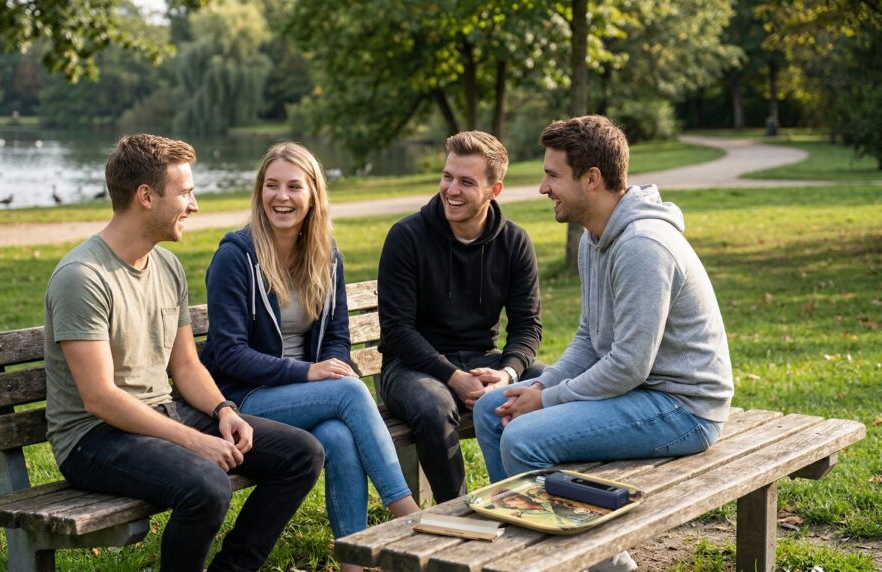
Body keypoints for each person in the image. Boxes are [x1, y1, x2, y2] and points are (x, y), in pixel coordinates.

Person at [44, 134, 324, 572]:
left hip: (160, 412)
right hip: (93, 438)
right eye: (186, 193)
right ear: (146, 196)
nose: (194, 205)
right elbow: (99, 397)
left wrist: (225, 411)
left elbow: (186, 364)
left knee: (301, 453)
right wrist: (195, 441)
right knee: (208, 485)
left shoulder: (167, 266)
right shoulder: (82, 277)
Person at [474, 115, 733, 572]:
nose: (542, 187)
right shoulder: (594, 239)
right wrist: (543, 386)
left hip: (684, 407)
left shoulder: (641, 245)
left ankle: (604, 564)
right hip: (642, 393)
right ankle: (532, 548)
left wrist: (547, 398)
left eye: (552, 175)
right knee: (492, 411)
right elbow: (590, 337)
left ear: (591, 179)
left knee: (523, 436)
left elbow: (629, 364)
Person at [201, 142, 419, 571]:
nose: (281, 197)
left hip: (305, 394)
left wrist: (326, 368)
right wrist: (308, 372)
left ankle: (353, 562)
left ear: (313, 193)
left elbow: (337, 337)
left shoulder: (325, 255)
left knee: (338, 434)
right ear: (259, 192)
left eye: (294, 186)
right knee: (351, 393)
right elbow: (227, 353)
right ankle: (410, 519)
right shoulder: (235, 257)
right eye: (271, 185)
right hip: (244, 400)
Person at [377, 130, 545, 502]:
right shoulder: (407, 236)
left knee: (552, 382)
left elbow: (527, 325)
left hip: (486, 362)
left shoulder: (514, 242)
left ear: (494, 190)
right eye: (447, 176)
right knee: (435, 407)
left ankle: (544, 496)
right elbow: (397, 330)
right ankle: (458, 514)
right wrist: (452, 377)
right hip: (410, 367)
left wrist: (507, 373)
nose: (451, 189)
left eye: (466, 182)